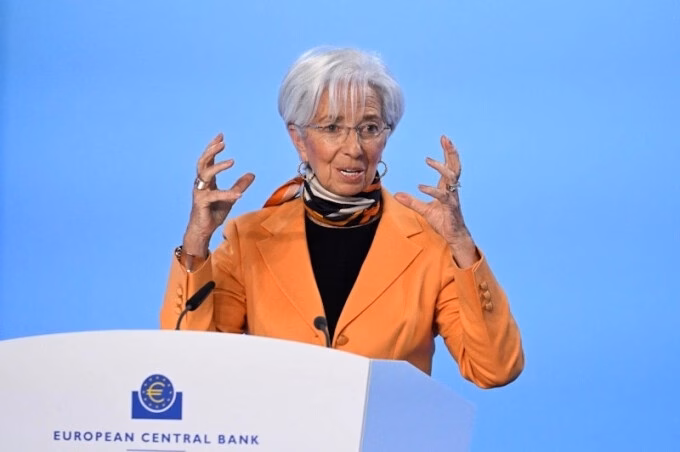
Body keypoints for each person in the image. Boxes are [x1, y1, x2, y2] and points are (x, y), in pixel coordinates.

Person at [161, 47, 524, 388]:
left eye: (369, 128)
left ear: (386, 136)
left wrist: (460, 243)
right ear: (299, 139)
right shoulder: (250, 240)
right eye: (333, 128)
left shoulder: (431, 243)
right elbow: (190, 368)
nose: (354, 149)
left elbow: (494, 369)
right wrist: (197, 241)